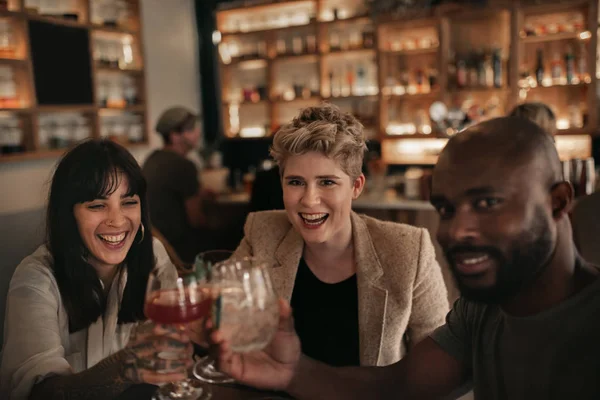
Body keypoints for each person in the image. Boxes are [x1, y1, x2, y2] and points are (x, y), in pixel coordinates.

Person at [212, 117, 600, 399]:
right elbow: (399, 385)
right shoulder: (481, 312)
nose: (455, 231)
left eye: (488, 203)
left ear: (559, 202)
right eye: (446, 210)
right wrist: (291, 372)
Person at [229, 104, 449, 367]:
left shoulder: (409, 250)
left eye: (327, 182)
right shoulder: (262, 231)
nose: (309, 200)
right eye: (296, 182)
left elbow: (439, 367)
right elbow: (224, 315)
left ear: (356, 186)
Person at [0, 140, 193, 400]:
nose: (117, 221)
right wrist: (121, 371)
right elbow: (37, 393)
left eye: (128, 202)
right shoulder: (36, 278)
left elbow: (172, 349)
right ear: (69, 214)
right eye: (97, 205)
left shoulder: (153, 254)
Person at [142, 106, 212, 263]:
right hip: (179, 250)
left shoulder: (152, 159)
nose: (197, 133)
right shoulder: (184, 165)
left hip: (154, 246)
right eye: (191, 129)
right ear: (175, 136)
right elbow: (196, 219)